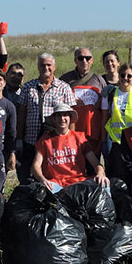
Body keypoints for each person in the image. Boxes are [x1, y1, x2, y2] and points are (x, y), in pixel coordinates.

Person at [18, 52, 76, 185]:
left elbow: (71, 117)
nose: (46, 68)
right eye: (43, 65)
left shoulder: (64, 88)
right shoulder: (28, 87)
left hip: (54, 144)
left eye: (49, 65)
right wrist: (19, 140)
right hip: (30, 141)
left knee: (52, 178)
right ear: (38, 67)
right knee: (26, 177)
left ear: (54, 67)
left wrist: (71, 140)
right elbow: (21, 115)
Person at [31, 103, 107, 190]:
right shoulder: (44, 141)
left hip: (79, 182)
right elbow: (35, 166)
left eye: (65, 115)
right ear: (54, 119)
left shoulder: (80, 138)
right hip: (54, 184)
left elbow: (96, 163)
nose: (62, 119)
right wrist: (43, 180)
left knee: (105, 185)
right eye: (59, 115)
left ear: (70, 119)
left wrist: (100, 174)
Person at [60, 47, 107, 153]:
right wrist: (70, 102)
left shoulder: (99, 80)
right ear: (75, 60)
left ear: (92, 60)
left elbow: (105, 105)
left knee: (93, 165)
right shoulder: (65, 79)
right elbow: (57, 102)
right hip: (72, 130)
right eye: (80, 58)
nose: (84, 61)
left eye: (88, 58)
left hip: (93, 131)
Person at [101, 63, 132, 177]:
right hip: (114, 141)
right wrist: (103, 141)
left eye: (129, 76)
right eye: (123, 75)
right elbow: (104, 119)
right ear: (118, 76)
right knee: (115, 173)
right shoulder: (110, 94)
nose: (125, 78)